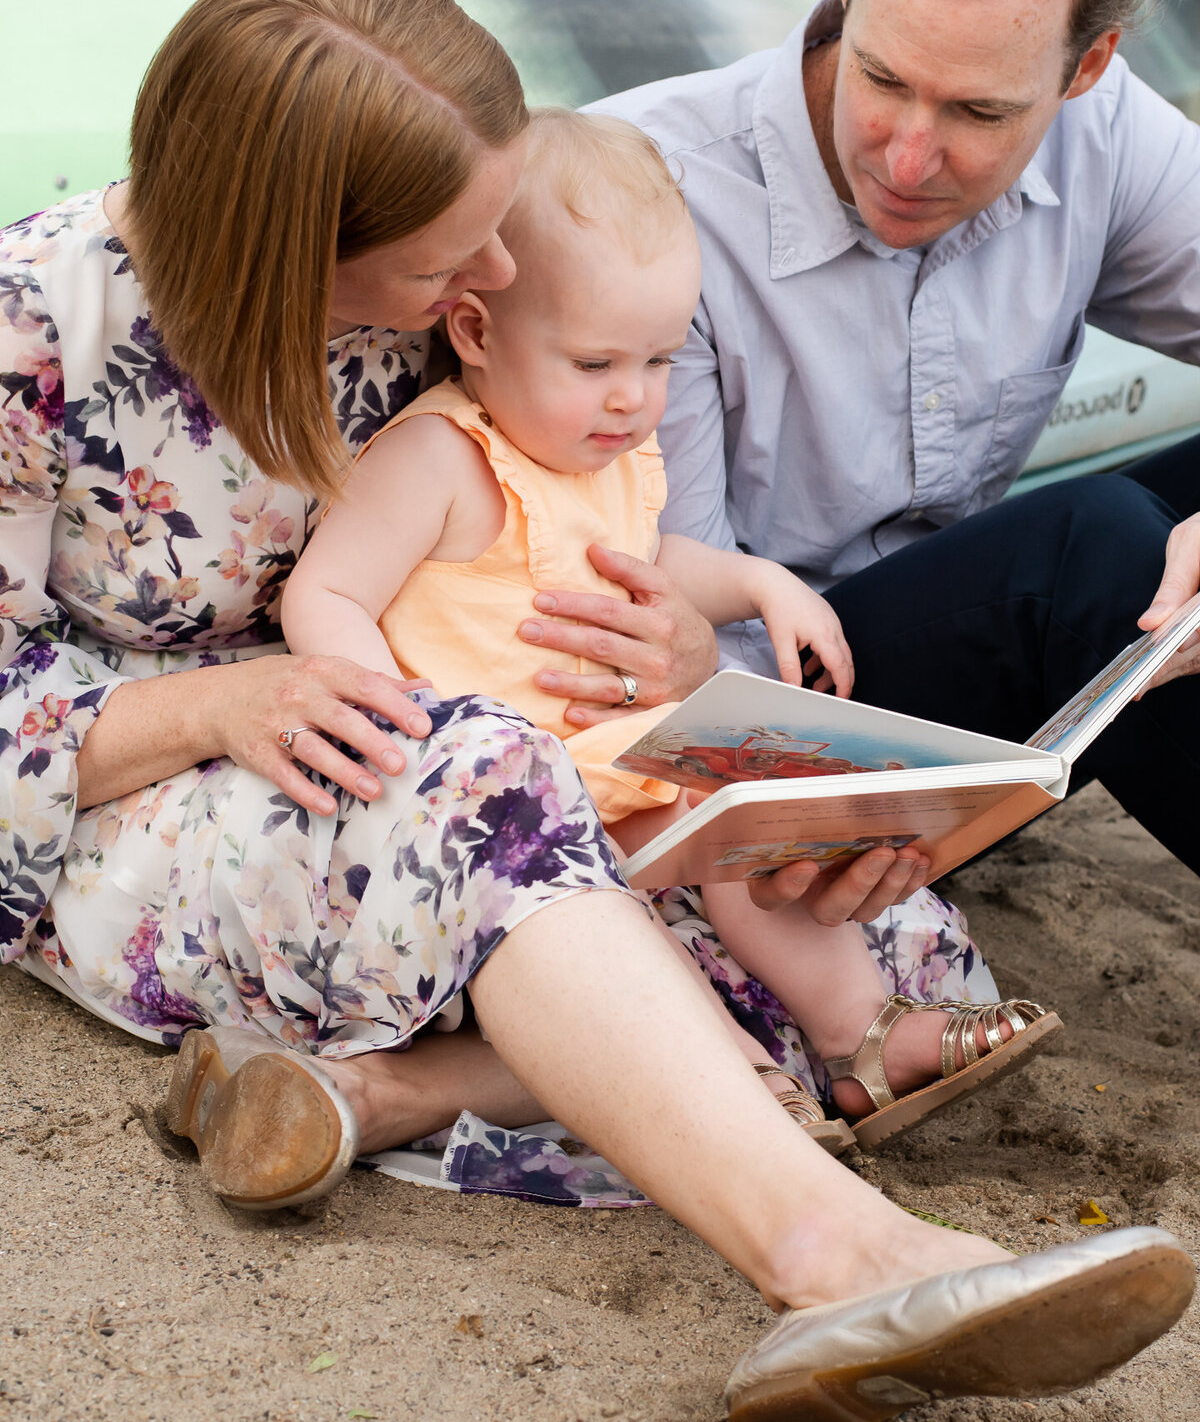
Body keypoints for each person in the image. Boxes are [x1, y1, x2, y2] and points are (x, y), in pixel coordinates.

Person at [0, 0, 1189, 1422]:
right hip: (148, 801)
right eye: (450, 261)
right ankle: (841, 1256)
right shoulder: (32, 334)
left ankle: (373, 1096)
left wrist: (688, 657)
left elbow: (581, 522)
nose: (489, 280)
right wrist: (224, 703)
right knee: (502, 782)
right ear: (296, 244)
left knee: (777, 883)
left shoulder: (441, 303)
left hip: (404, 742)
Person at [283, 105, 1060, 1152]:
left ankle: (864, 1035)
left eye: (658, 362)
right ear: (475, 329)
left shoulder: (606, 461)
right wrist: (396, 723)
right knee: (634, 914)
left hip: (617, 774)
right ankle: (728, 1078)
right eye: (598, 363)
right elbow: (324, 593)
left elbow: (653, 565)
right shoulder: (441, 461)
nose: (633, 401)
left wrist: (759, 584)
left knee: (746, 825)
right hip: (502, 799)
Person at [583, 0, 1200, 892]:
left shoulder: (1106, 129)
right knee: (1098, 557)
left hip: (982, 700)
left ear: (1088, 66)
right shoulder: (641, 196)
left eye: (979, 114)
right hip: (745, 722)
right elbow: (678, 666)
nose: (908, 158)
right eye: (882, 80)